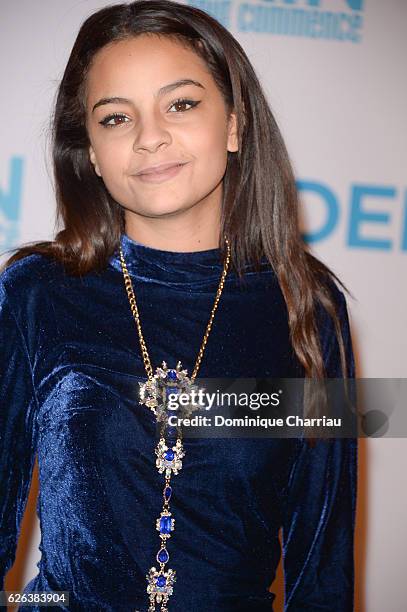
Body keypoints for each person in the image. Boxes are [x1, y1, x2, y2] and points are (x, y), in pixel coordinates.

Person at [0, 1, 358, 611]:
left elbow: (321, 563)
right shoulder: (37, 291)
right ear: (89, 149)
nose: (149, 137)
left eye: (182, 104)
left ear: (236, 125)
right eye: (115, 118)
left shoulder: (310, 306)